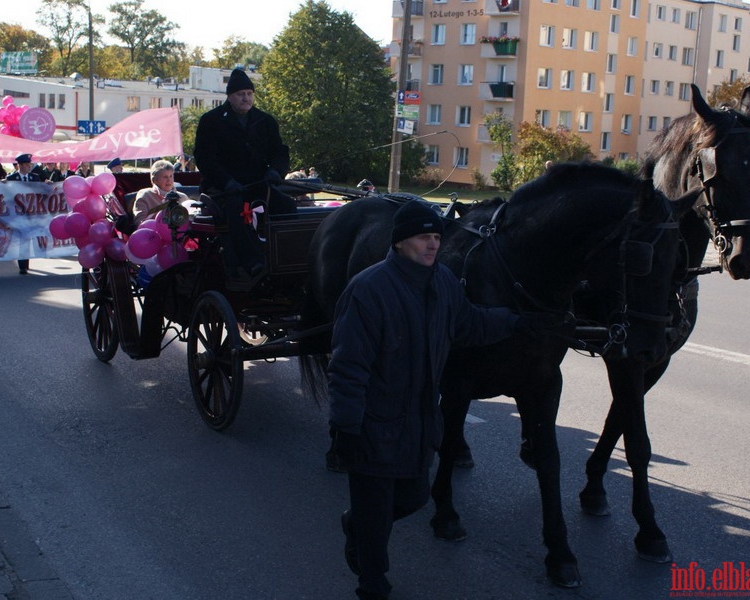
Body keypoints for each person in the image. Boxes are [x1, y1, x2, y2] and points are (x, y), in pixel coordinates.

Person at [328, 200, 554, 600]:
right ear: (399, 242)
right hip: (373, 422)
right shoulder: (369, 290)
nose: (432, 245)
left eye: (436, 236)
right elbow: (348, 367)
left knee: (415, 497)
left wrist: (516, 322)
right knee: (377, 514)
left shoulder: (444, 283)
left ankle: (358, 525)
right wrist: (345, 426)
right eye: (422, 237)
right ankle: (372, 581)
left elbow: (469, 323)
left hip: (418, 420)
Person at [193, 67, 296, 280]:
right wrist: (226, 181)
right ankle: (251, 263)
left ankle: (287, 259)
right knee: (235, 208)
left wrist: (276, 171)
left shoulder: (265, 121)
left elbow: (279, 152)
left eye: (249, 94)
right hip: (222, 188)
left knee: (287, 206)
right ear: (230, 97)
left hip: (258, 184)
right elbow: (205, 158)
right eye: (241, 95)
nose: (246, 98)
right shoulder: (211, 121)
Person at [5, 154, 42, 274]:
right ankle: (22, 266)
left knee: (29, 238)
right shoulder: (11, 178)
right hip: (18, 214)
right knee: (22, 238)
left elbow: (41, 192)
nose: (29, 166)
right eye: (26, 164)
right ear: (20, 165)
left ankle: (25, 263)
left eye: (29, 164)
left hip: (32, 214)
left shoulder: (35, 178)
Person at [132, 159, 189, 226]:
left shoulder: (182, 197)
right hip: (154, 234)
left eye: (171, 176)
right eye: (165, 177)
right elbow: (140, 223)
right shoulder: (145, 195)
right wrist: (163, 210)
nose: (169, 180)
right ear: (154, 180)